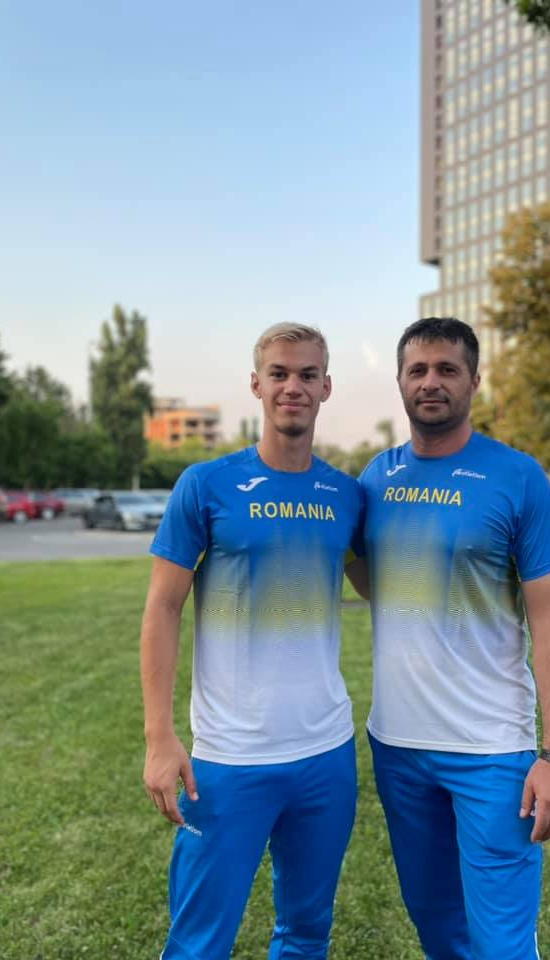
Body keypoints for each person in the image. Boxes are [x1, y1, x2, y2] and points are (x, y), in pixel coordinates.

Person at [348, 317, 550, 960]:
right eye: (418, 370)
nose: (431, 382)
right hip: (397, 745)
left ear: (474, 381)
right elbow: (375, 582)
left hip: (492, 749)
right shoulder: (376, 479)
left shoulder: (518, 477)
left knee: (501, 941)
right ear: (400, 381)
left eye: (447, 369)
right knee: (437, 927)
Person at [140, 323, 363, 960]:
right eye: (279, 374)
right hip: (229, 756)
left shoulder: (347, 496)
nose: (293, 386)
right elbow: (163, 607)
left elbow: (386, 583)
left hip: (326, 754)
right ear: (257, 385)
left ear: (326, 387)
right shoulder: (205, 485)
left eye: (307, 375)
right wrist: (159, 738)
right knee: (198, 942)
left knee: (306, 934)